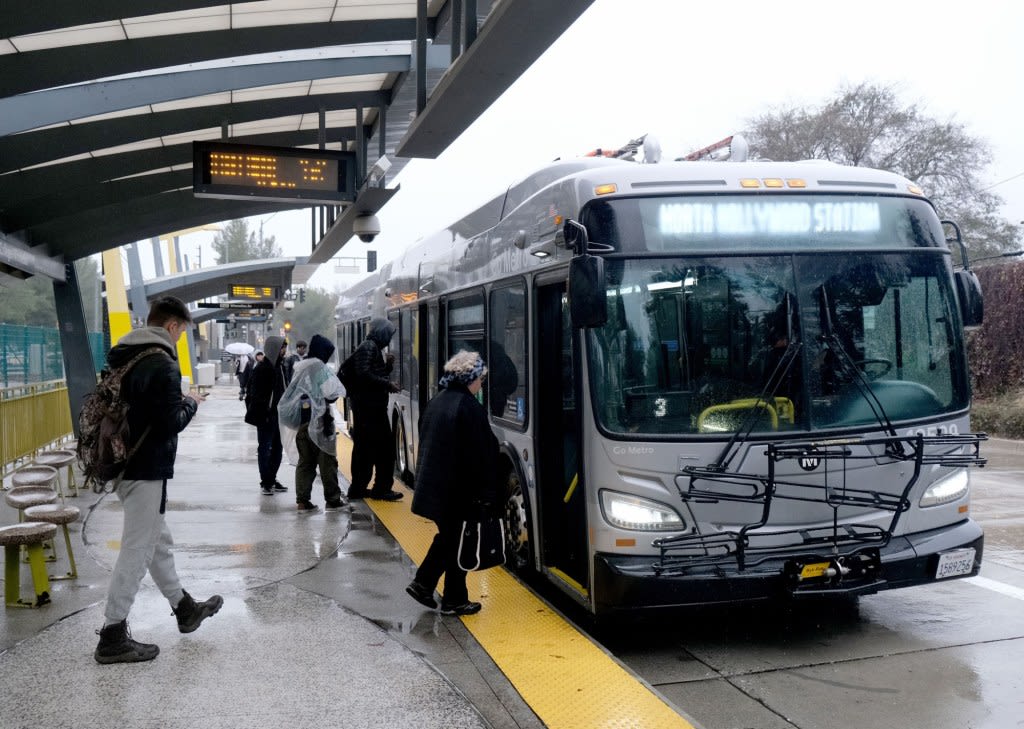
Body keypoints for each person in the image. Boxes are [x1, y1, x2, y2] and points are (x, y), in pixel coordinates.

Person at [94, 296, 223, 664]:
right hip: (146, 468)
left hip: (122, 463)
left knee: (157, 541)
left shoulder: (126, 354)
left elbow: (144, 409)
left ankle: (184, 609)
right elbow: (170, 423)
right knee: (137, 549)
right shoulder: (162, 363)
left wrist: (173, 402)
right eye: (182, 332)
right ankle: (112, 634)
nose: (181, 339)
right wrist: (191, 403)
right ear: (172, 326)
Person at [405, 351, 499, 616]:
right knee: (455, 541)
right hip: (455, 492)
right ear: (470, 378)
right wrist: (487, 495)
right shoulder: (468, 407)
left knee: (452, 540)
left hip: (436, 488)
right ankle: (427, 586)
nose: (481, 384)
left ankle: (449, 596)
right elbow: (480, 455)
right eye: (480, 379)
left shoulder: (439, 401)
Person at [279, 334, 346, 513]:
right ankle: (332, 499)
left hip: (302, 421)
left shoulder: (300, 367)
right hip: (320, 424)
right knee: (327, 463)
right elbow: (332, 394)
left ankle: (302, 501)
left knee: (306, 463)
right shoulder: (318, 367)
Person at [345, 318, 402, 501]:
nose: (389, 339)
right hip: (369, 409)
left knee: (366, 449)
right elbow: (364, 374)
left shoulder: (371, 347)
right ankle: (380, 488)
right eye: (388, 334)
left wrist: (388, 367)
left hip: (369, 407)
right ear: (381, 332)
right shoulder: (369, 347)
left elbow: (369, 372)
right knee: (384, 450)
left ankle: (360, 488)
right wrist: (388, 384)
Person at [245, 336, 288, 495]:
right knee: (265, 448)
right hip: (267, 417)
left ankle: (271, 478)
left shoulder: (281, 367)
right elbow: (253, 394)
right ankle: (266, 482)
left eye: (285, 347)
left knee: (277, 448)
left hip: (279, 416)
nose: (284, 350)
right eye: (282, 347)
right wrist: (264, 413)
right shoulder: (262, 369)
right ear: (274, 348)